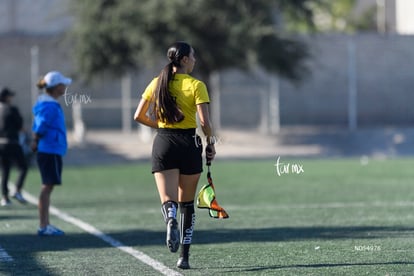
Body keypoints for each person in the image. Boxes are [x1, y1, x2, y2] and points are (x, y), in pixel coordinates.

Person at [134, 41, 216, 269]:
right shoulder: (197, 85)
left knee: (168, 200)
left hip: (164, 142)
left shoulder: (157, 82)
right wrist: (211, 143)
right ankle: (184, 258)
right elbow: (204, 122)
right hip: (189, 144)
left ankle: (169, 217)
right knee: (187, 205)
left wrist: (160, 125)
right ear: (184, 60)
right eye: (193, 56)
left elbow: (138, 116)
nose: (196, 60)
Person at [31, 71, 71, 236]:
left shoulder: (50, 103)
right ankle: (43, 225)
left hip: (52, 149)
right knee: (46, 187)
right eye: (62, 84)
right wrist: (35, 140)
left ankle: (45, 224)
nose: (65, 86)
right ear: (56, 87)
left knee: (48, 187)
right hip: (48, 150)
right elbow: (41, 126)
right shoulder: (49, 106)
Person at [0, 88, 28, 206]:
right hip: (12, 142)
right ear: (6, 97)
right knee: (23, 167)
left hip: (0, 144)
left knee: (5, 171)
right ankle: (17, 190)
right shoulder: (12, 109)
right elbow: (21, 127)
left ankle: (5, 198)